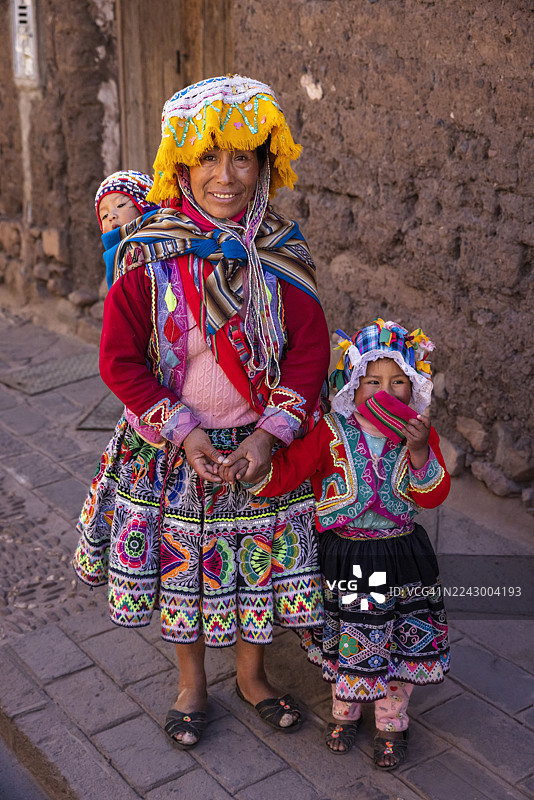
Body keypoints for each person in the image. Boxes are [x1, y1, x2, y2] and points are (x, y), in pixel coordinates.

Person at [73, 74, 330, 749]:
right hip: (173, 452)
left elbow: (307, 352)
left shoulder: (280, 252)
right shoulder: (145, 253)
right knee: (184, 571)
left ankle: (252, 676)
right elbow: (120, 361)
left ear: (265, 163)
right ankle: (191, 682)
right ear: (179, 165)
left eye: (242, 156)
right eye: (208, 158)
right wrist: (179, 430)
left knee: (253, 566)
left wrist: (272, 435)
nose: (226, 175)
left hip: (256, 450)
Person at [246, 318, 451, 770]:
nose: (386, 390)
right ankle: (346, 710)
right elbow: (292, 470)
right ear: (352, 385)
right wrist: (256, 471)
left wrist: (419, 452)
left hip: (401, 555)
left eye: (399, 381)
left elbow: (433, 496)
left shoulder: (418, 434)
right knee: (350, 639)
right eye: (372, 380)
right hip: (347, 556)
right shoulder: (331, 430)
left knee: (396, 641)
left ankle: (392, 722)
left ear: (413, 386)